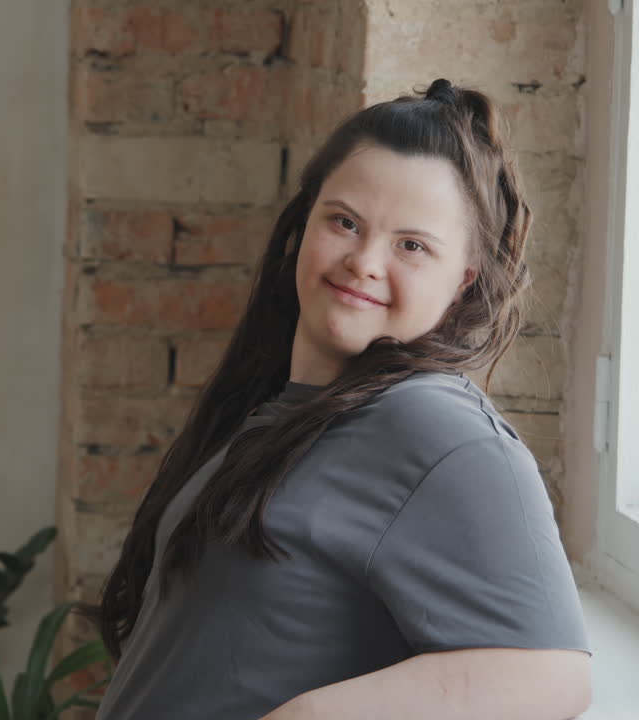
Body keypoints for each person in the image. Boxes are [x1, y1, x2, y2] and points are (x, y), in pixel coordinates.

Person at [84, 78, 593, 719]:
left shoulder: (438, 430)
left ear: (463, 279)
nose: (364, 261)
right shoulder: (279, 405)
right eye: (345, 222)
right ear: (304, 224)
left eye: (412, 245)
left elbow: (551, 679)